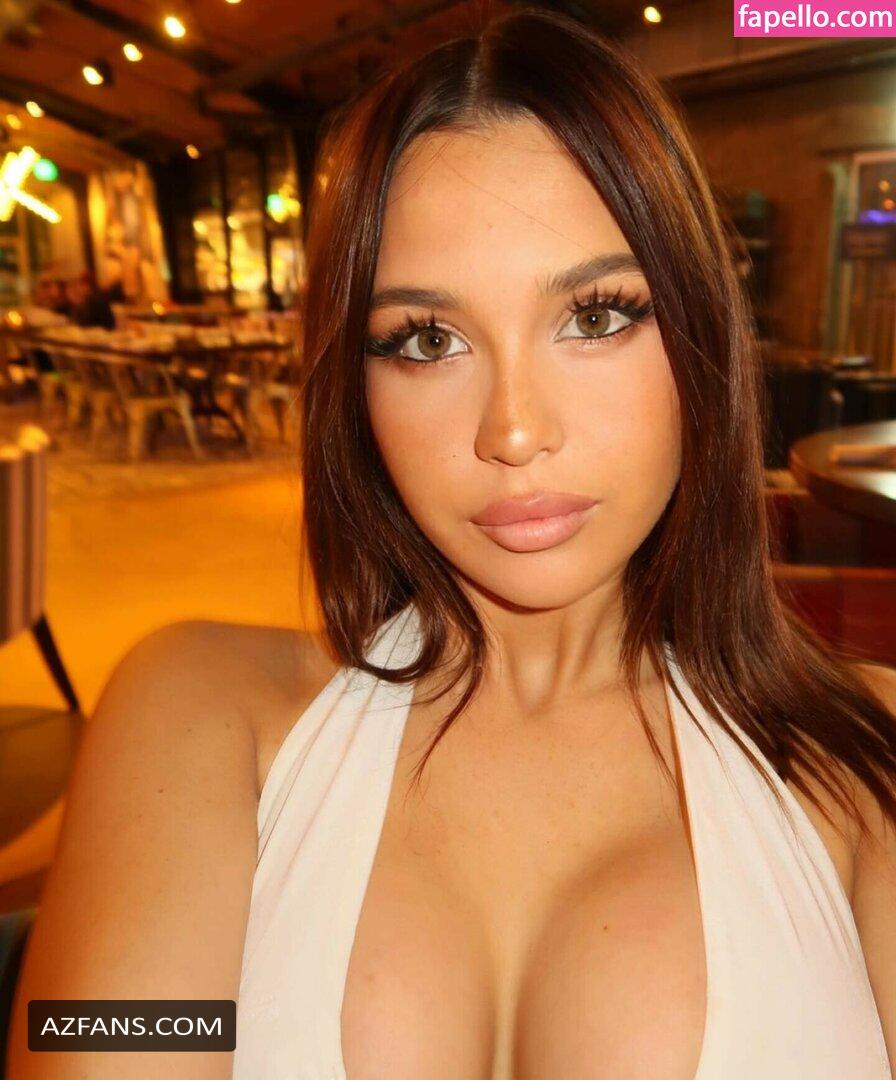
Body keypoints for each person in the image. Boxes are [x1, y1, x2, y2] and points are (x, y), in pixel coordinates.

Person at [7, 8, 896, 1079]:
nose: (513, 430)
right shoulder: (192, 714)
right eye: (428, 340)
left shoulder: (868, 763)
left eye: (595, 317)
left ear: (699, 329)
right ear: (356, 385)